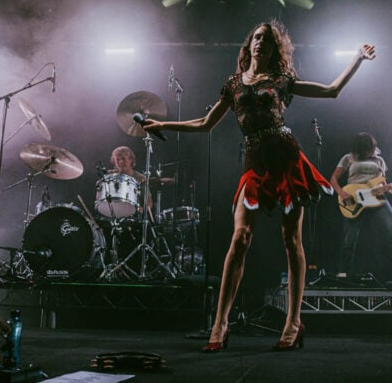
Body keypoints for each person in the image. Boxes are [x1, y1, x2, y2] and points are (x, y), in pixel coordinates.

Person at [144, 21, 375, 352]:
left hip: (286, 157)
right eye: (256, 37)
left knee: (291, 240)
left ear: (273, 49)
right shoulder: (234, 84)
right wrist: (163, 124)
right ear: (249, 44)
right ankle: (220, 323)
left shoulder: (282, 80)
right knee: (240, 238)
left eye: (267, 39)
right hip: (254, 162)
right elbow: (205, 123)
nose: (260, 43)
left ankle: (293, 322)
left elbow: (331, 90)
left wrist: (357, 58)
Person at [329, 132, 392, 283]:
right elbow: (333, 178)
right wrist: (341, 193)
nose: (368, 152)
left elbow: (383, 183)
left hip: (377, 199)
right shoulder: (349, 158)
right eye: (365, 149)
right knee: (349, 241)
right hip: (354, 200)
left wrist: (390, 188)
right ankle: (343, 276)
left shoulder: (379, 160)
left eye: (370, 149)